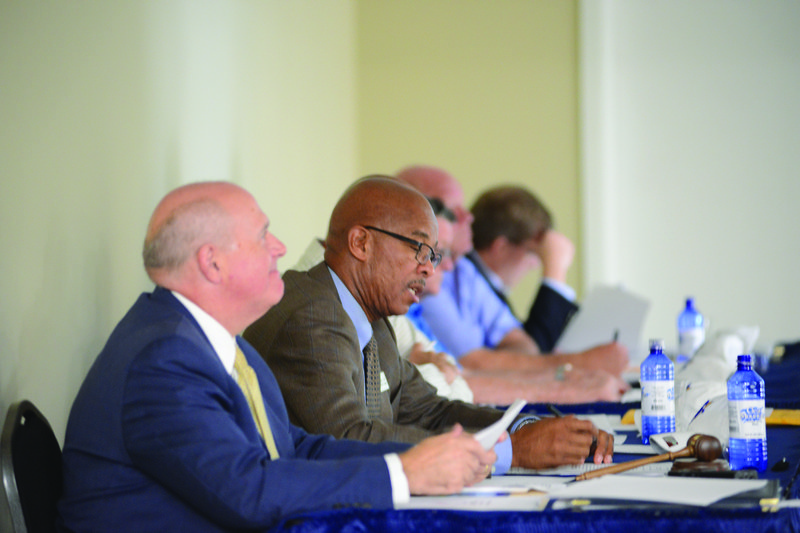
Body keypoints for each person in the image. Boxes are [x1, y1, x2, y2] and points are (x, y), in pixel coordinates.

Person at [57, 181, 496, 533]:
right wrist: (401, 475)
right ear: (212, 263)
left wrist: (419, 458)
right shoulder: (164, 360)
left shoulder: (219, 343)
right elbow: (248, 491)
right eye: (262, 236)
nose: (281, 247)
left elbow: (293, 447)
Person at [244, 176, 614, 474]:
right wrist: (508, 452)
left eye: (434, 255)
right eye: (418, 249)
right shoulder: (312, 316)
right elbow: (349, 439)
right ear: (361, 242)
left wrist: (522, 428)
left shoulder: (370, 316)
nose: (429, 268)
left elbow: (428, 410)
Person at [396, 166, 628, 387]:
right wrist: (575, 365)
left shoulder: (462, 269)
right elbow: (472, 365)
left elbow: (524, 345)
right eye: (451, 210)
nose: (468, 218)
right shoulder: (426, 282)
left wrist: (511, 364)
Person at [468, 184, 578, 353]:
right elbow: (533, 353)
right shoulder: (470, 281)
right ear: (501, 248)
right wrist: (555, 268)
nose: (534, 265)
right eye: (532, 253)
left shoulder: (482, 282)